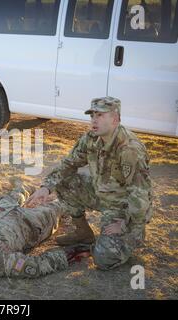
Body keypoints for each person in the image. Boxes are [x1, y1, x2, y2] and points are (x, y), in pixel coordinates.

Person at [27, 97, 153, 270]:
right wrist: (46, 188)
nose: (94, 120)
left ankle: (134, 235)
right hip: (101, 194)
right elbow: (69, 164)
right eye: (92, 115)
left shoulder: (129, 149)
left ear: (115, 119)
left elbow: (140, 194)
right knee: (66, 182)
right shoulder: (91, 138)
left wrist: (127, 223)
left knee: (103, 260)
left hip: (123, 209)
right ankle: (83, 233)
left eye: (100, 115)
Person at [0, 179, 91, 286]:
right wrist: (70, 254)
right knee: (59, 206)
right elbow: (37, 265)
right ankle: (76, 194)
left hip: (1, 210)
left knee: (19, 192)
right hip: (31, 223)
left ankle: (28, 186)